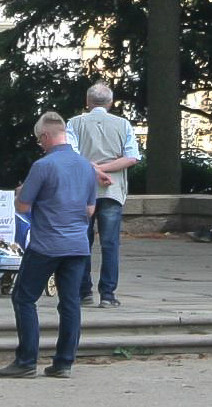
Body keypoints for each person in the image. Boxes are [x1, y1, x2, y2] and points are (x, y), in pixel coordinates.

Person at [0, 112, 98, 379]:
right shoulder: (86, 166)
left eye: (40, 139)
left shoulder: (43, 166)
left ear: (46, 136)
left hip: (47, 243)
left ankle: (26, 360)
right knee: (70, 302)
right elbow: (89, 209)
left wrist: (21, 192)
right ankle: (64, 362)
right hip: (78, 244)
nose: (40, 144)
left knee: (24, 298)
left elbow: (23, 206)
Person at [66, 81, 141, 308]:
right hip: (113, 189)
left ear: (88, 102)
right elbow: (132, 157)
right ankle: (108, 294)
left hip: (82, 189)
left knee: (82, 242)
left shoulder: (75, 123)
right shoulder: (123, 124)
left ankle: (83, 292)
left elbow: (71, 153)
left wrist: (94, 170)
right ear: (110, 102)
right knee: (110, 244)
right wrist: (105, 170)